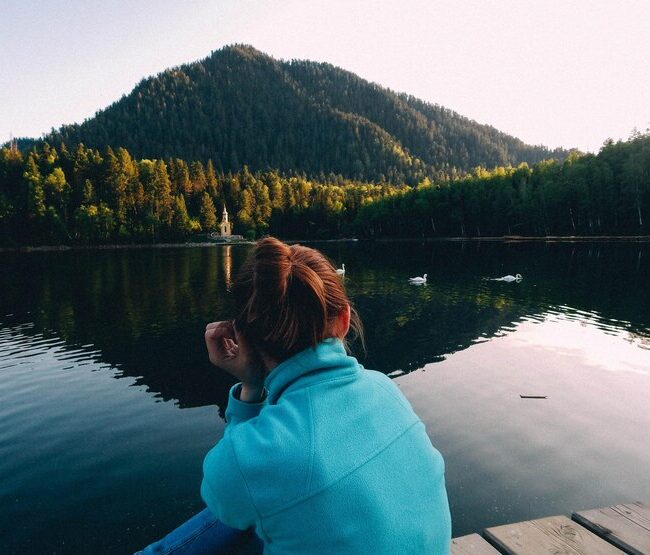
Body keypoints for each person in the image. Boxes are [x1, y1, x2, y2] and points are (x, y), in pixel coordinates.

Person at [137, 237, 451, 554]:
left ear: (242, 337)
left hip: (255, 486)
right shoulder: (383, 387)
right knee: (272, 498)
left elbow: (227, 504)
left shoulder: (250, 458)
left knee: (252, 502)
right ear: (343, 320)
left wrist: (251, 387)